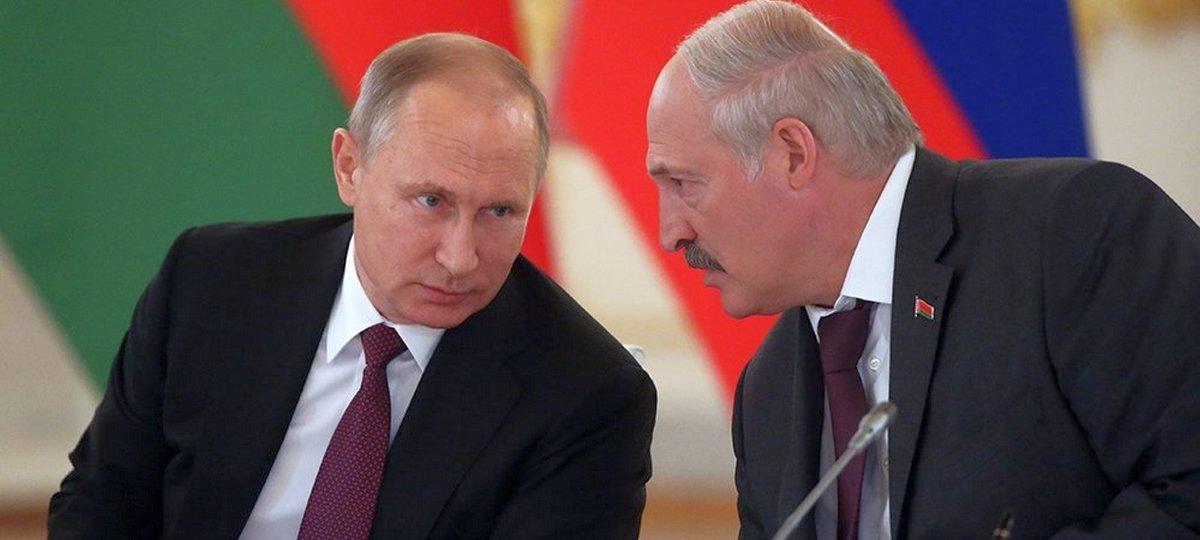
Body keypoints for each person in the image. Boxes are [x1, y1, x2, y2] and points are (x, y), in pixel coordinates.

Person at [49, 33, 656, 539]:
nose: (460, 257)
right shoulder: (211, 281)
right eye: (431, 201)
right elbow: (102, 500)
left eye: (500, 212)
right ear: (349, 168)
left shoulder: (587, 395)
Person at [646, 1, 1200, 538]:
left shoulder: (1072, 232)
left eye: (683, 183)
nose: (671, 233)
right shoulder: (769, 392)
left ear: (793, 153)